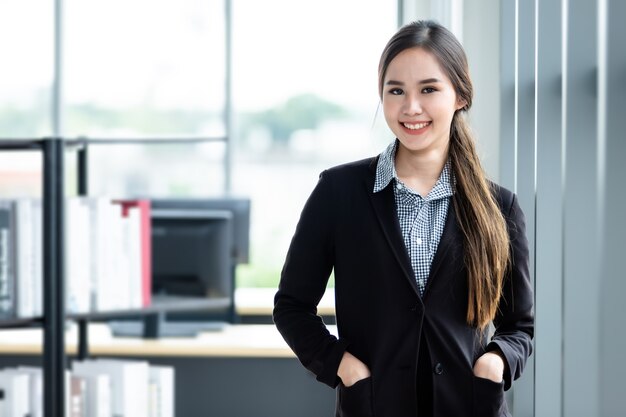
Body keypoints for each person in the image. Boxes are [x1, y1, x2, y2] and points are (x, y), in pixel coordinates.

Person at [273, 20, 533, 417]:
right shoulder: (338, 192)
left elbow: (521, 326)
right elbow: (292, 306)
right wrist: (343, 367)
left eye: (428, 89)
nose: (411, 107)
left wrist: (494, 362)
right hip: (374, 406)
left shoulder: (499, 207)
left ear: (460, 95)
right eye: (396, 91)